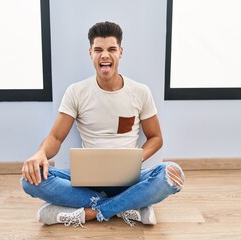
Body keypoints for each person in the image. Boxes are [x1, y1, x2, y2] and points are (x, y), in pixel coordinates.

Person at [21, 21, 185, 227]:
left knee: (172, 173)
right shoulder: (76, 92)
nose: (104, 55)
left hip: (129, 179)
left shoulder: (140, 91)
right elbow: (55, 138)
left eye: (111, 49)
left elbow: (156, 138)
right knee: (29, 179)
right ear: (90, 53)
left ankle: (90, 212)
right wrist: (40, 154)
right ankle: (128, 206)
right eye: (98, 49)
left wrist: (134, 160)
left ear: (120, 53)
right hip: (88, 179)